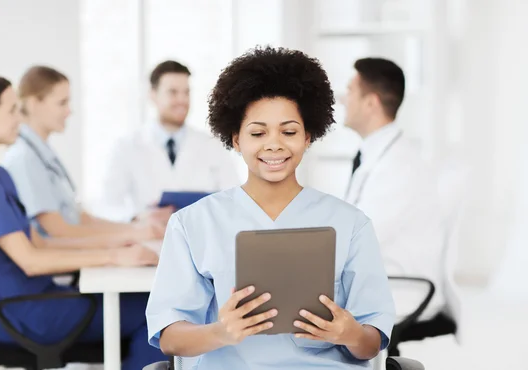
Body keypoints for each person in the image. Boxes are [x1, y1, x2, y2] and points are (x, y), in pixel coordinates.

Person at [145, 47, 395, 369]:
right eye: (258, 132)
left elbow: (371, 343)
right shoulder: (192, 224)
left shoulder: (351, 224)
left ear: (308, 136)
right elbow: (170, 337)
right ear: (235, 139)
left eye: (288, 132)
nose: (274, 144)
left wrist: (348, 333)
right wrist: (221, 332)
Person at [0, 75, 166, 369]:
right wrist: (114, 255)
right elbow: (31, 261)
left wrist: (119, 246)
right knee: (158, 311)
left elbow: (41, 241)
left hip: (40, 301)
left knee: (149, 306)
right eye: (11, 110)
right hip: (24, 314)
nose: (18, 119)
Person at [1, 66, 163, 245]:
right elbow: (58, 231)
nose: (69, 111)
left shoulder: (42, 154)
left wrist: (136, 228)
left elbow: (81, 219)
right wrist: (130, 236)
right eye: (62, 103)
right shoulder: (25, 158)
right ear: (33, 104)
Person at [342, 58, 445, 321]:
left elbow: (362, 240)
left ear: (370, 103)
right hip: (376, 279)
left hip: (400, 288)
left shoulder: (399, 165)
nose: (344, 99)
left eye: (351, 91)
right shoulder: (377, 154)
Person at [98, 60, 241, 223]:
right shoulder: (127, 147)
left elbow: (233, 200)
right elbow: (107, 205)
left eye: (186, 92)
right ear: (152, 94)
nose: (182, 100)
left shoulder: (212, 145)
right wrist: (137, 216)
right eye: (173, 92)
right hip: (148, 241)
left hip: (201, 240)